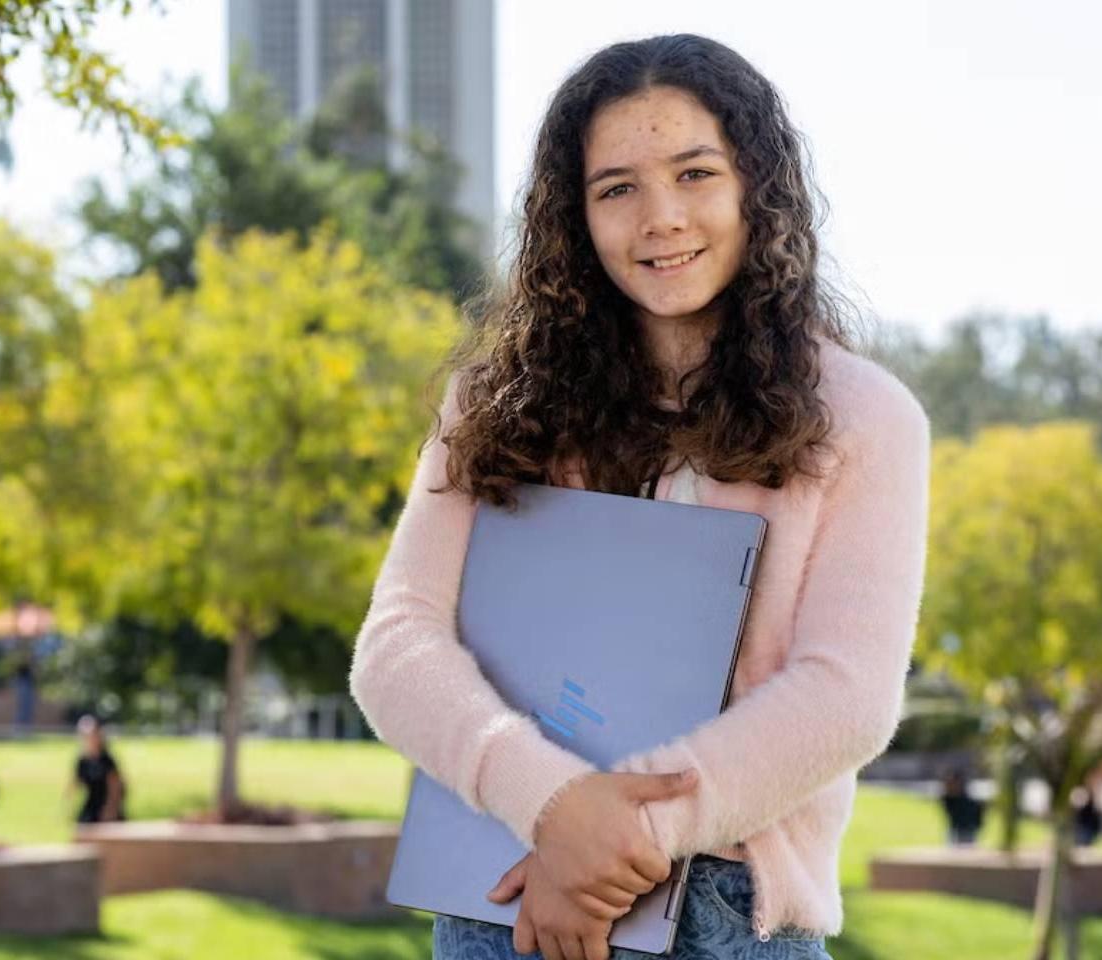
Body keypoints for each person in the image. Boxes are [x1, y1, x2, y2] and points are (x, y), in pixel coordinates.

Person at [349, 34, 930, 960]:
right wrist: (550, 805)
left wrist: (624, 837)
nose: (661, 218)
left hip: (731, 915)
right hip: (504, 896)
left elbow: (845, 696)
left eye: (695, 173)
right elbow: (394, 647)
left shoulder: (862, 417)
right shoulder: (496, 404)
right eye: (617, 187)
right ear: (574, 217)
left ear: (756, 186)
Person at [69, 715, 127, 824]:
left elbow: (116, 788)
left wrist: (110, 810)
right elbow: (76, 783)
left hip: (107, 805)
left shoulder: (107, 760)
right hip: (91, 806)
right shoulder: (83, 761)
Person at [939, 770, 984, 846]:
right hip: (955, 831)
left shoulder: (969, 800)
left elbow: (978, 815)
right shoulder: (949, 799)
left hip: (968, 831)